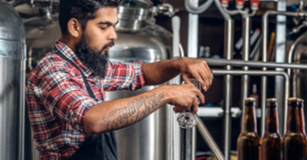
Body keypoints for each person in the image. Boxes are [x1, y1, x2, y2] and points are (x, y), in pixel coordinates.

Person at [25, 0, 213, 159]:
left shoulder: (86, 65)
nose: (113, 35)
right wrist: (166, 93)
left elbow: (141, 73)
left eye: (113, 26)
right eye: (104, 26)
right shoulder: (52, 71)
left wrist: (179, 64)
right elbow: (93, 120)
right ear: (75, 27)